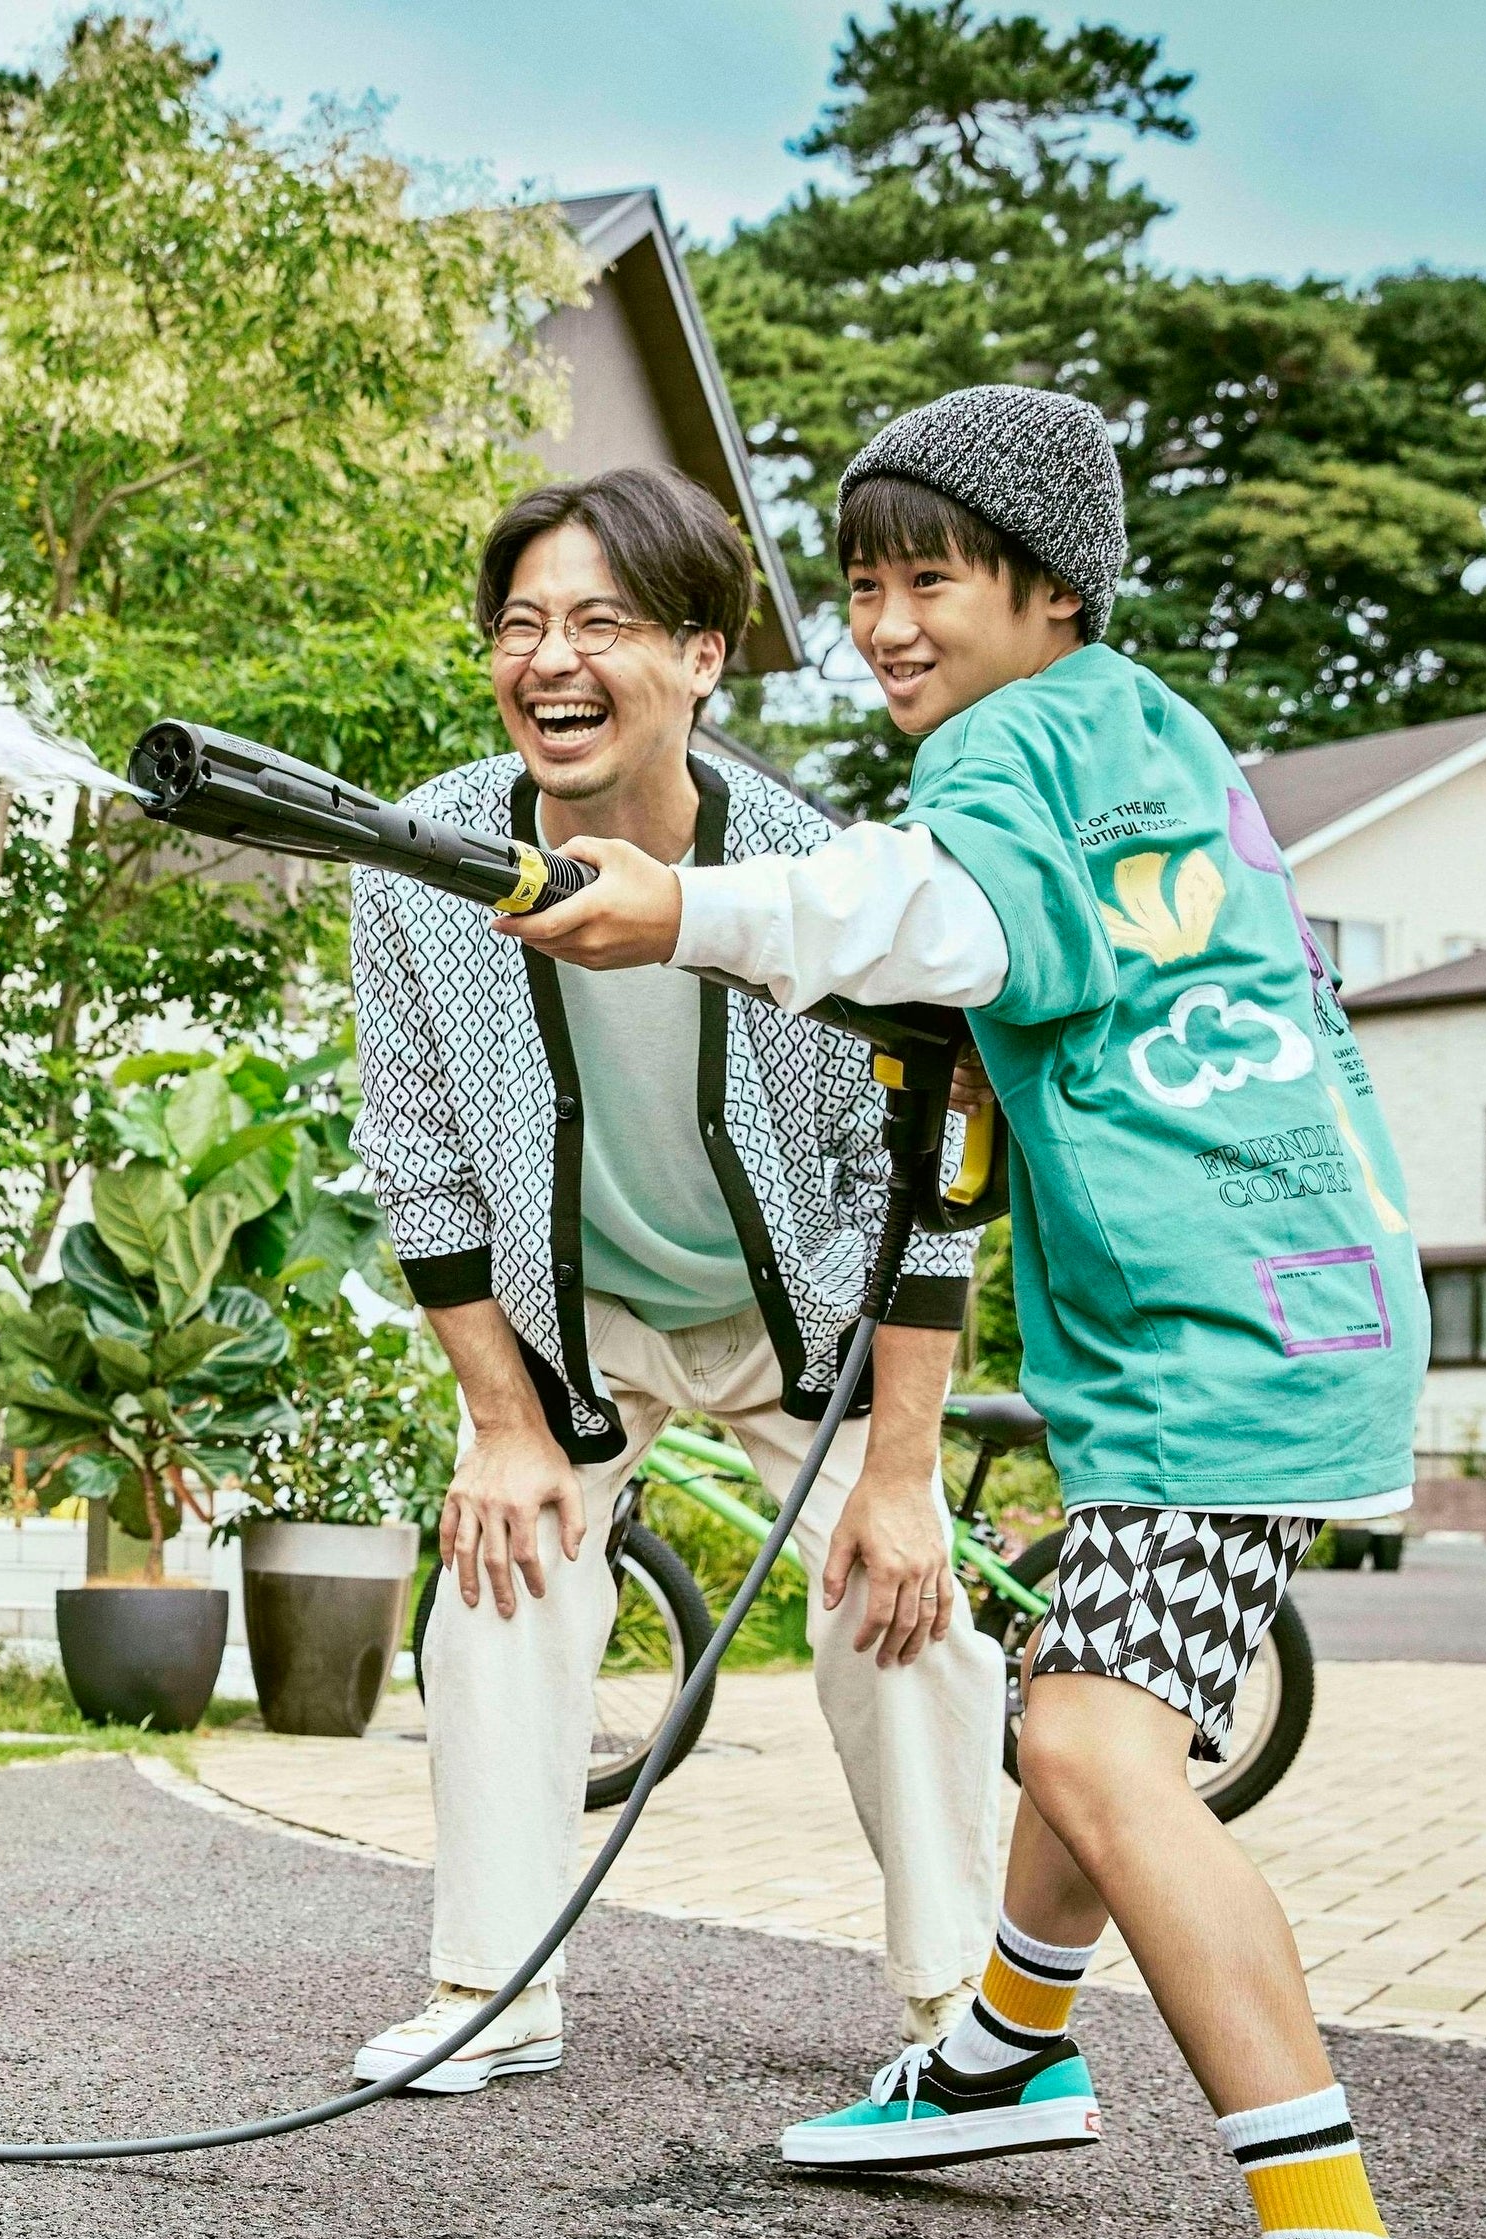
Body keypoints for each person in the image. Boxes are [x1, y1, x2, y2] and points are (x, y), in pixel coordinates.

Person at [501, 385, 1463, 2239]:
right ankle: (1005, 2052)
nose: (886, 622)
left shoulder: (1014, 749)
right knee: (1072, 1711)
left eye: (932, 576)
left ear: (1054, 587)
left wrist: (685, 909)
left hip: (1223, 1346)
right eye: (862, 581)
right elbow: (1011, 962)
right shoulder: (1146, 736)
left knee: (1099, 1752)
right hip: (1282, 1310)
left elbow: (950, 920)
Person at [344, 465, 1016, 2124]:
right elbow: (418, 1158)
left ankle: (964, 2007)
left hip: (803, 1312)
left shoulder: (818, 875)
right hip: (579, 1320)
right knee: (498, 1579)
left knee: (906, 1609)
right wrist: (502, 1425)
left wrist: (906, 1476)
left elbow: (926, 1182)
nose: (551, 661)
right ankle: (489, 1989)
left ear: (703, 658)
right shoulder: (422, 861)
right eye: (520, 627)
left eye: (602, 623)